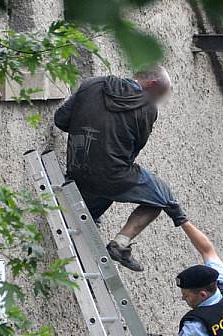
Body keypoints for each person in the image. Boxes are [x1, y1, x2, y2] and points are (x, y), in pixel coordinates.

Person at [54, 65, 187, 272]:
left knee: (87, 214)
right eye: (158, 95)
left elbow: (60, 120)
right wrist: (179, 216)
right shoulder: (148, 109)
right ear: (152, 85)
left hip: (78, 171)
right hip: (113, 175)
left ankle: (84, 251)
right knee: (161, 197)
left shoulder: (91, 84)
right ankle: (120, 244)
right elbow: (135, 147)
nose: (156, 101)